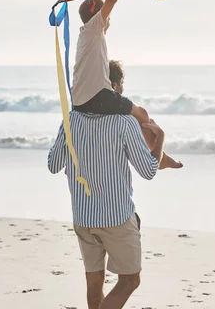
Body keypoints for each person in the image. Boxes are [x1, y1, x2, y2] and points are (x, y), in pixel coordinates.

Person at [48, 110, 166, 309]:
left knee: (94, 285)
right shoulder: (125, 122)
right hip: (117, 218)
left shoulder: (71, 119)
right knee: (130, 280)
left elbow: (53, 165)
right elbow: (148, 170)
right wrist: (160, 137)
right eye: (121, 84)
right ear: (114, 86)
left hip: (83, 216)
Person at [71, 0, 182, 169]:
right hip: (98, 97)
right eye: (107, 17)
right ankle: (159, 157)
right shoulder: (93, 29)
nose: (108, 22)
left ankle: (160, 155)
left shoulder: (86, 37)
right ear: (100, 16)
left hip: (79, 102)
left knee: (137, 115)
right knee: (142, 115)